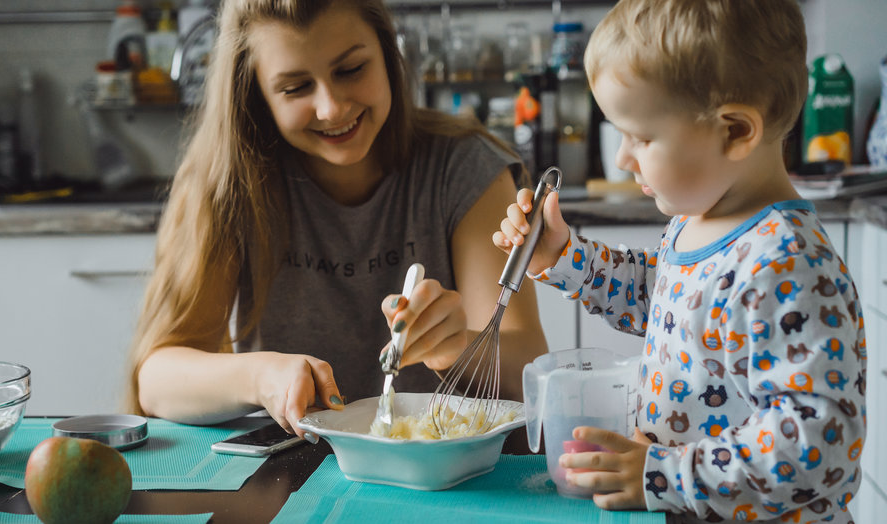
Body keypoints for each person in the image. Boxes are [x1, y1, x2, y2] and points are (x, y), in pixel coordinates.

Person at [493, 0, 866, 522]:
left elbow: (816, 448)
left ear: (735, 131)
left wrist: (664, 474)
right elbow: (662, 302)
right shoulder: (698, 219)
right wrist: (564, 256)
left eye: (640, 137)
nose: (622, 158)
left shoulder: (787, 266)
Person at [125, 0, 547, 440]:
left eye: (351, 70)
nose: (331, 108)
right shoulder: (226, 181)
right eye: (295, 88)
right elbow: (156, 381)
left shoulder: (466, 168)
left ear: (388, 55)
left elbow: (529, 377)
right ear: (256, 95)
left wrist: (457, 348)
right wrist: (262, 375)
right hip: (289, 476)